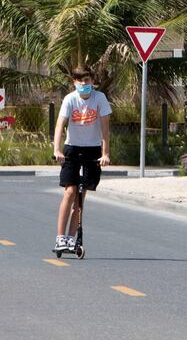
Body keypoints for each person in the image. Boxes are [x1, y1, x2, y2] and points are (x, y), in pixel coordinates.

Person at [52, 67, 112, 252]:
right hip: (72, 149)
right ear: (74, 82)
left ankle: (71, 239)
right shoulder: (70, 99)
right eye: (80, 81)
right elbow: (60, 124)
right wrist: (57, 150)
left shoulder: (99, 98)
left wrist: (106, 153)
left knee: (80, 196)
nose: (84, 84)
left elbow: (105, 128)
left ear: (92, 81)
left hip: (92, 150)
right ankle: (60, 238)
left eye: (87, 80)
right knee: (70, 191)